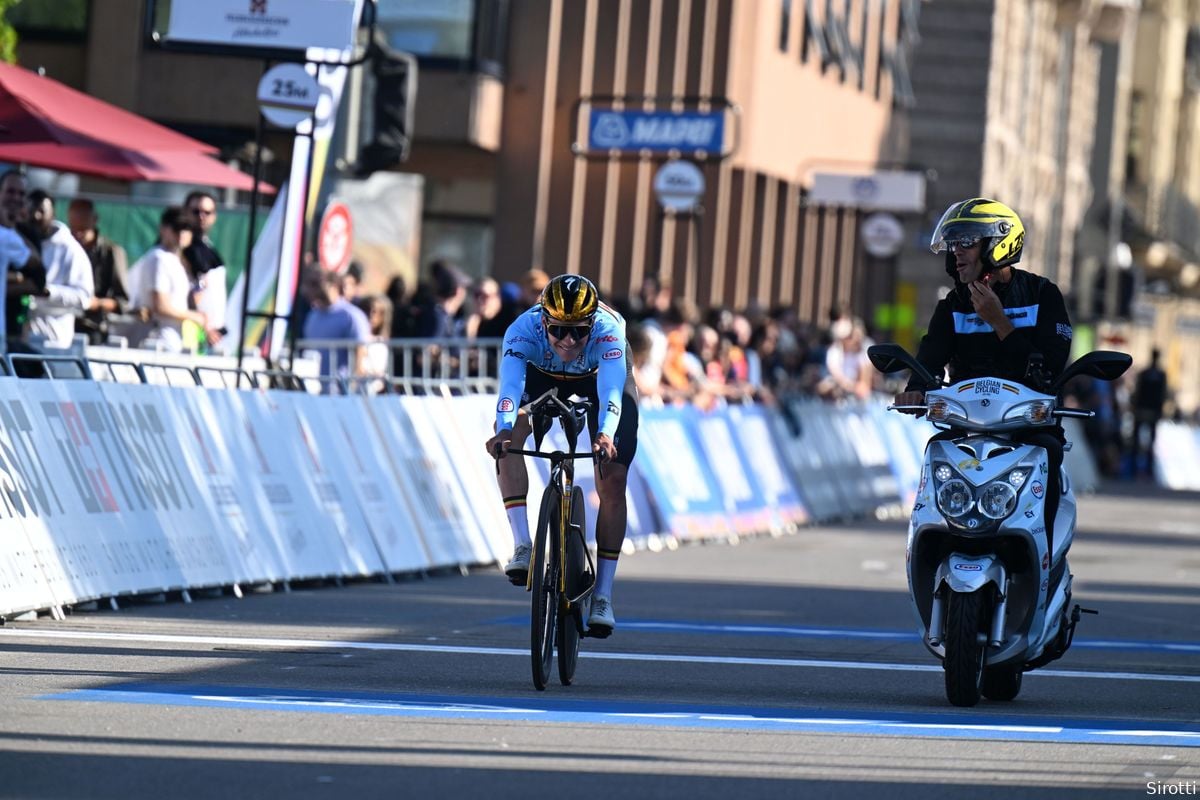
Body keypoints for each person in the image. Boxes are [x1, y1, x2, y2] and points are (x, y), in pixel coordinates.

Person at [893, 197, 1073, 550]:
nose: (956, 252)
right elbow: (929, 357)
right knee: (936, 449)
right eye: (953, 244)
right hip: (967, 426)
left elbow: (1050, 369)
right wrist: (915, 388)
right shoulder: (951, 305)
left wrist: (999, 322)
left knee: (1047, 454)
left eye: (966, 242)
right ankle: (930, 544)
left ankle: (1044, 556)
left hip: (1029, 429)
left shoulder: (1043, 294)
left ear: (997, 244)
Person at [484, 274, 639, 635]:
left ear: (592, 324)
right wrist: (505, 428)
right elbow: (510, 387)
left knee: (613, 480)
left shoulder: (608, 331)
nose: (568, 340)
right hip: (542, 373)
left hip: (598, 378)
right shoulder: (522, 331)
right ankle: (523, 544)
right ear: (543, 321)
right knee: (507, 437)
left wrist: (604, 434)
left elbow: (612, 392)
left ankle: (602, 594)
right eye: (558, 330)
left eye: (578, 331)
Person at [125, 207, 205, 353]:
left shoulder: (175, 260)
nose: (182, 233)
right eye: (177, 227)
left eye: (187, 228)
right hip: (157, 341)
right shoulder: (158, 258)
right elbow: (160, 306)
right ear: (163, 229)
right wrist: (195, 317)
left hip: (173, 340)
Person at [25, 190, 94, 350]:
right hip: (19, 337)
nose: (35, 216)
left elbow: (84, 297)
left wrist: (49, 292)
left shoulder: (69, 249)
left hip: (53, 341)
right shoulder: (19, 240)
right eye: (30, 210)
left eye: (41, 211)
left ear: (53, 213)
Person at [68, 198, 129, 345]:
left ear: (94, 220)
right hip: (63, 324)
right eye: (74, 229)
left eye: (83, 229)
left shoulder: (110, 252)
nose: (78, 235)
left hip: (92, 328)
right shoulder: (65, 247)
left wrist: (95, 303)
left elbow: (123, 302)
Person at [301, 268, 372, 389]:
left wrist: (350, 389)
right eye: (308, 284)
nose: (309, 290)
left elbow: (360, 357)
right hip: (316, 392)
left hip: (341, 393)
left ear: (333, 286)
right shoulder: (312, 317)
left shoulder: (351, 316)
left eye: (315, 284)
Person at [181, 190, 227, 349]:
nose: (201, 216)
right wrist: (205, 325)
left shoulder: (206, 245)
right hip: (195, 331)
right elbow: (192, 290)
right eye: (196, 211)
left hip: (211, 334)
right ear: (185, 212)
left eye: (207, 212)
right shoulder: (185, 247)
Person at [1131, 348, 1168, 477]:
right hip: (1151, 410)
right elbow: (1162, 395)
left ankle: (1136, 469)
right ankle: (1147, 470)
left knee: (1139, 440)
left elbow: (1137, 391)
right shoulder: (1160, 375)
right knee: (1150, 441)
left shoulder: (1145, 373)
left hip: (1142, 409)